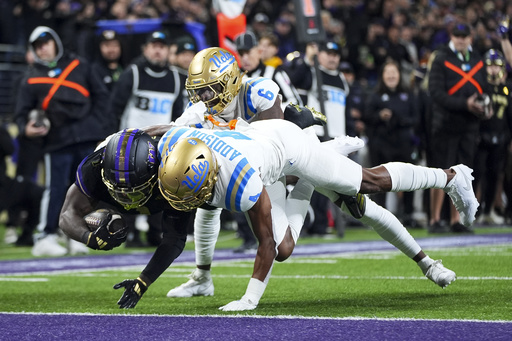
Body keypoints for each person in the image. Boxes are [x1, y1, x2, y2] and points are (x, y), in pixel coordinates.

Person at [157, 119, 477, 311]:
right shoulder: (178, 143)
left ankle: (450, 177)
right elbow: (159, 130)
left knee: (366, 189)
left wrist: (250, 298)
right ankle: (316, 172)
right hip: (272, 158)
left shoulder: (241, 182)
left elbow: (264, 241)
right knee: (285, 250)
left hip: (294, 148)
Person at [162, 46, 327, 298]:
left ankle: (311, 185)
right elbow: (176, 131)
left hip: (280, 162)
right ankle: (201, 277)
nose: (203, 97)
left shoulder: (258, 92)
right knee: (206, 202)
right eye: (198, 90)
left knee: (283, 249)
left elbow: (276, 147)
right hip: (242, 168)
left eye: (209, 88)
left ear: (228, 82)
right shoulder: (199, 109)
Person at [59, 128, 194, 309]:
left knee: (210, 206)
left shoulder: (172, 172)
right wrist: (88, 237)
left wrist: (143, 281)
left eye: (134, 190)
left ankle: (202, 275)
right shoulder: (94, 166)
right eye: (118, 189)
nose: (126, 197)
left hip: (173, 160)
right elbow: (67, 214)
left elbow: (174, 238)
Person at [15, 26, 110, 257]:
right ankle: (46, 235)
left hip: (85, 137)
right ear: (33, 50)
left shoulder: (80, 65)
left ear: (55, 42)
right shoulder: (29, 78)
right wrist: (24, 128)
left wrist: (97, 128)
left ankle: (79, 235)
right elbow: (20, 113)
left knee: (86, 190)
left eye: (46, 43)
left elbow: (101, 97)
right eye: (38, 46)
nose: (44, 49)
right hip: (56, 140)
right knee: (56, 188)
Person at [109, 30, 185, 245]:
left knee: (160, 190)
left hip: (161, 145)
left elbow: (178, 117)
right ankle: (129, 233)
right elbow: (114, 108)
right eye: (154, 46)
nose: (158, 50)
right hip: (129, 144)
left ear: (168, 50)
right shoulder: (133, 73)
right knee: (127, 189)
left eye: (162, 46)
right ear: (146, 49)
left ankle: (154, 233)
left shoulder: (175, 79)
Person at [427, 23, 489, 234]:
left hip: (470, 125)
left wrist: (485, 106)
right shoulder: (441, 58)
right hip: (445, 123)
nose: (461, 39)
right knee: (440, 172)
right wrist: (465, 104)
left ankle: (456, 220)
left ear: (471, 37)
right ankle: (435, 219)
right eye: (457, 35)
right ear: (451, 36)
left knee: (461, 173)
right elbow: (435, 92)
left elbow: (485, 87)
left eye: (464, 36)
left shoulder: (478, 59)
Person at [365, 60, 420, 227]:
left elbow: (416, 119)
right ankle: (379, 216)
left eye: (394, 72)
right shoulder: (375, 96)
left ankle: (408, 214)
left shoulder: (408, 95)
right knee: (379, 181)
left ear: (399, 75)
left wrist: (398, 119)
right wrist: (380, 116)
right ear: (382, 76)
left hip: (404, 144)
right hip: (382, 145)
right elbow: (367, 117)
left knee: (409, 180)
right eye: (387, 72)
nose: (391, 75)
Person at [474, 49, 512, 224]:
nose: (493, 70)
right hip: (482, 137)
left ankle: (488, 210)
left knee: (494, 174)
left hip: (500, 137)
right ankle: (473, 212)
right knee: (477, 174)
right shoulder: (480, 87)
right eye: (490, 66)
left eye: (496, 66)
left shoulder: (506, 89)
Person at [234, 31, 303, 108]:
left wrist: (274, 111)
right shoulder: (234, 77)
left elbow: (296, 102)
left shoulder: (275, 73)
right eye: (241, 54)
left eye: (248, 52)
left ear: (259, 52)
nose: (245, 58)